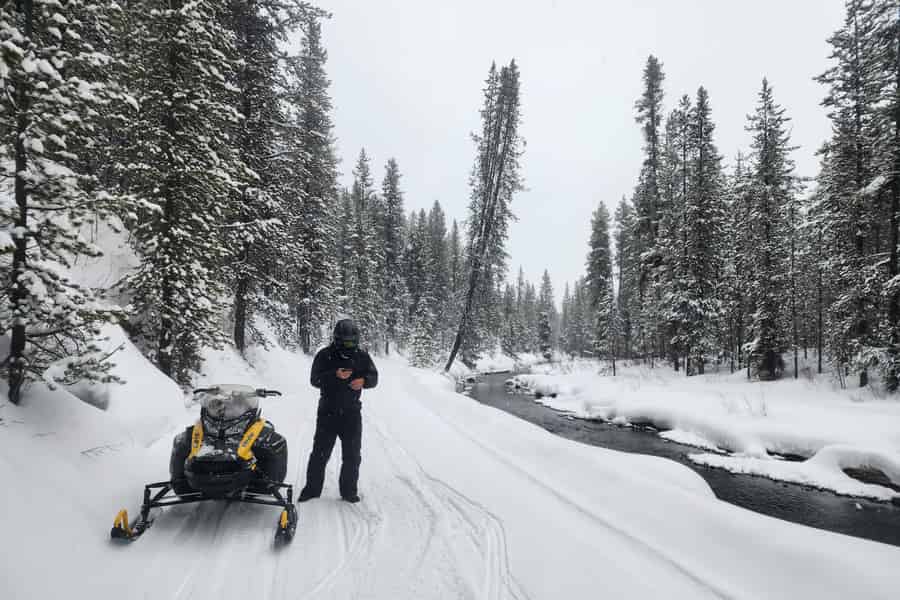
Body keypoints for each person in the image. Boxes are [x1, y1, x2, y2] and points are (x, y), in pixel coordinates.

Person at [299, 319, 378, 503]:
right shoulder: (324, 355)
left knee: (352, 455)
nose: (348, 345)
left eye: (352, 342)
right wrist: (334, 375)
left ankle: (349, 492)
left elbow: (374, 378)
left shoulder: (362, 356)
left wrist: (364, 382)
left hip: (351, 413)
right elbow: (314, 380)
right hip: (328, 411)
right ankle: (311, 490)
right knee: (320, 453)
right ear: (337, 339)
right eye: (345, 342)